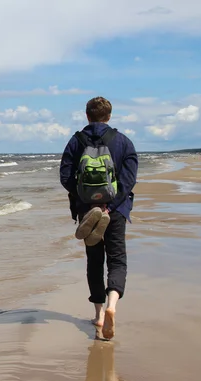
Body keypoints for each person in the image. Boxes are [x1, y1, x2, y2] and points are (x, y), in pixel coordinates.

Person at [59, 96, 138, 340]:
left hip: (87, 211)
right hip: (115, 211)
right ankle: (113, 304)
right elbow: (129, 178)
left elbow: (65, 176)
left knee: (94, 261)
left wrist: (87, 201)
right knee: (117, 259)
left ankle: (99, 314)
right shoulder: (123, 141)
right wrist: (109, 205)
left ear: (87, 115)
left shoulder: (76, 140)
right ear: (109, 116)